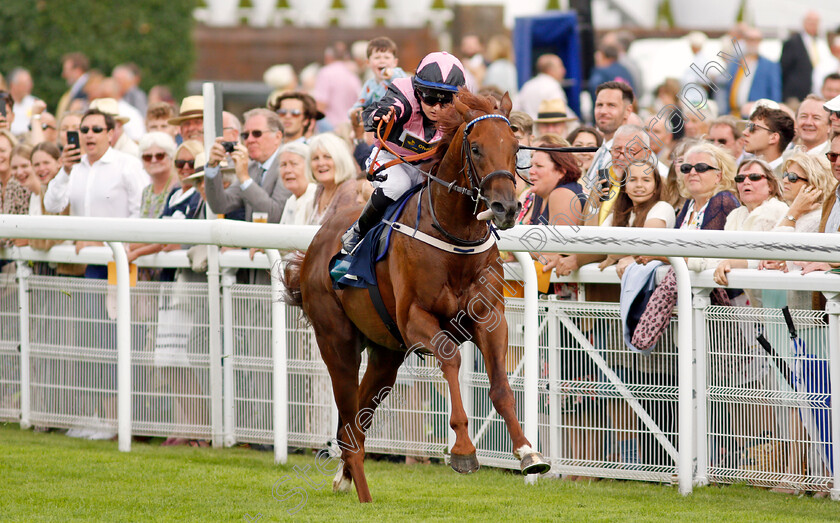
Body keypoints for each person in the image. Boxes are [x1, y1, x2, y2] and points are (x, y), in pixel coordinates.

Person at [341, 51, 467, 253]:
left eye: (445, 102)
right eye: (430, 98)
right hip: (390, 159)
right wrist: (380, 115)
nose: (436, 108)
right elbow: (373, 112)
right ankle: (357, 232)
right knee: (398, 185)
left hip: (428, 168)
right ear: (418, 91)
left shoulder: (461, 108)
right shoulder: (404, 95)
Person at [205, 108, 291, 223]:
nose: (250, 140)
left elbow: (274, 215)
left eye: (257, 134)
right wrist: (212, 167)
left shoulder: (288, 165)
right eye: (245, 135)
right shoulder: (252, 168)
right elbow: (220, 205)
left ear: (277, 137)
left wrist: (245, 179)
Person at [583, 81, 635, 189]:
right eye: (599, 105)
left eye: (611, 105)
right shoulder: (600, 152)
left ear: (627, 111)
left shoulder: (631, 155)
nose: (603, 111)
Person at [724, 27, 782, 115]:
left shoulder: (769, 65)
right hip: (734, 114)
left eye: (756, 40)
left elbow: (775, 93)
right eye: (749, 39)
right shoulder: (735, 64)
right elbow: (727, 88)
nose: (752, 43)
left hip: (757, 115)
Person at [349, 37, 407, 124]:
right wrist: (354, 112)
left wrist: (387, 72)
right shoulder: (369, 85)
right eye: (377, 57)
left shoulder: (397, 75)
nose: (382, 61)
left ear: (395, 62)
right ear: (368, 62)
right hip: (379, 125)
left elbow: (399, 78)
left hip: (398, 122)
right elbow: (361, 103)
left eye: (387, 57)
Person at [307, 132, 359, 226]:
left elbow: (341, 234)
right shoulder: (320, 189)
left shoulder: (349, 190)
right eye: (315, 158)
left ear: (340, 159)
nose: (321, 163)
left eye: (327, 157)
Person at [313, 43, 362, 129]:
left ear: (328, 57)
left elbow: (321, 104)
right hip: (349, 125)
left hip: (331, 126)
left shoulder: (325, 73)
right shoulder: (352, 74)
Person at [780, 11, 821, 103]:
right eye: (810, 22)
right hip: (795, 97)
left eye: (816, 22)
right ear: (804, 23)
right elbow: (783, 69)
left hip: (813, 95)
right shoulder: (792, 42)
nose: (813, 25)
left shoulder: (819, 43)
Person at [742, 106, 795, 176]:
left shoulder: (788, 176)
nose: (744, 132)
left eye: (753, 128)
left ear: (773, 138)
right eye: (747, 126)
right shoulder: (743, 171)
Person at [514, 53, 568, 120]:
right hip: (548, 128)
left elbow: (515, 108)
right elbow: (562, 112)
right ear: (550, 70)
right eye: (560, 67)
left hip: (529, 128)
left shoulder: (528, 85)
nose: (564, 71)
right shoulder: (553, 86)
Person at [278, 142, 316, 225]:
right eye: (283, 165)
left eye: (294, 164)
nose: (287, 170)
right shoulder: (292, 199)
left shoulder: (315, 198)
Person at [56, 52, 90, 119]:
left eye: (66, 70)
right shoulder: (76, 89)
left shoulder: (88, 87)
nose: (63, 75)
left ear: (77, 70)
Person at [8, 68, 40, 138]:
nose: (29, 86)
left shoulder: (35, 102)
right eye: (25, 84)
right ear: (13, 85)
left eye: (30, 83)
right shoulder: (4, 104)